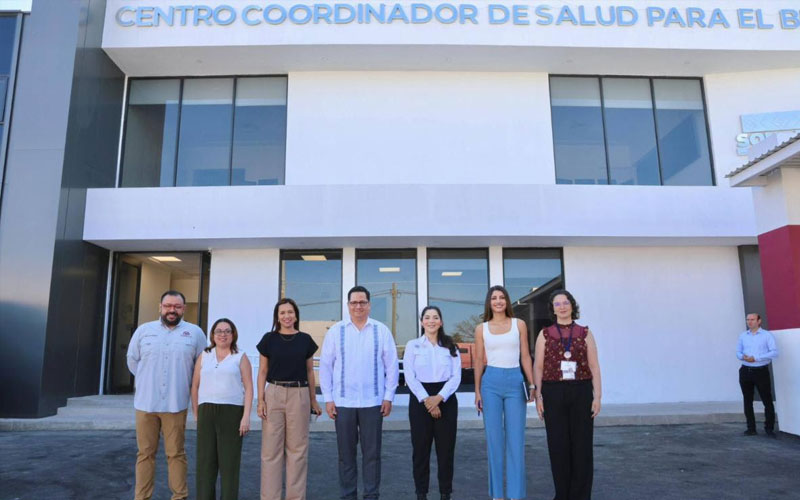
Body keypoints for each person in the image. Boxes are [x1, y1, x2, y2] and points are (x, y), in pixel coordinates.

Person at [319, 286, 400, 500]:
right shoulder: (336, 331)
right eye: (354, 302)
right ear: (348, 305)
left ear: (369, 305)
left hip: (373, 402)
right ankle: (348, 496)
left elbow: (392, 366)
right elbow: (326, 367)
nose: (358, 306)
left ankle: (371, 495)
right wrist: (328, 399)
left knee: (372, 455)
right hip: (343, 402)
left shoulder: (381, 330)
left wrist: (388, 396)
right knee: (346, 456)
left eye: (362, 302)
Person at [126, 290, 207, 500]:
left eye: (177, 306)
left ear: (184, 309)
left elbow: (201, 367)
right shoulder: (144, 331)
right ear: (160, 307)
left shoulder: (195, 333)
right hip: (146, 404)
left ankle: (179, 496)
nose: (172, 310)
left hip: (175, 403)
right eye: (168, 306)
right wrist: (147, 379)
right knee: (145, 454)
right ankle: (142, 497)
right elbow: (133, 361)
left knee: (176, 453)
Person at [533, 289, 602, 500]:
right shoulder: (545, 334)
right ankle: (562, 494)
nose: (562, 307)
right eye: (557, 304)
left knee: (582, 446)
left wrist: (597, 396)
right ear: (553, 309)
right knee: (558, 446)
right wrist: (538, 397)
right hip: (553, 392)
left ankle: (581, 495)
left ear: (572, 306)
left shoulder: (585, 333)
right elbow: (538, 367)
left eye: (565, 303)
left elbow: (594, 366)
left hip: (581, 391)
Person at [256, 298, 323, 500]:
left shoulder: (305, 340)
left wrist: (313, 400)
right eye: (282, 313)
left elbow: (310, 372)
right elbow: (262, 372)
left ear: (296, 315)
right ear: (277, 317)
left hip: (299, 394)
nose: (287, 316)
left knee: (297, 450)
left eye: (290, 312)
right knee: (271, 451)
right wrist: (261, 400)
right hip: (274, 393)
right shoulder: (269, 339)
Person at [473, 285, 535, 500]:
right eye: (494, 298)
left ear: (507, 301)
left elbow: (525, 356)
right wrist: (477, 391)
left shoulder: (519, 324)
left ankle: (516, 495)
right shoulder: (481, 329)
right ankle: (497, 495)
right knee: (494, 440)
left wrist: (532, 384)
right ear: (489, 303)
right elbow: (478, 360)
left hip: (515, 381)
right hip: (490, 382)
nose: (498, 301)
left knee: (516, 440)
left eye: (502, 297)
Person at [191, 318, 253, 500]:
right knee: (205, 463)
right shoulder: (205, 355)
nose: (223, 334)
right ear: (213, 335)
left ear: (233, 335)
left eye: (227, 331)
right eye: (219, 331)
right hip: (206, 411)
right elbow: (195, 386)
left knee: (229, 463)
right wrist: (196, 413)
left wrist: (246, 417)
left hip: (232, 413)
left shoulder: (240, 357)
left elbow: (249, 388)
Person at [403, 306, 462, 500]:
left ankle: (445, 493)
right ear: (422, 322)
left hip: (446, 399)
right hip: (420, 400)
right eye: (427, 317)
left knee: (446, 451)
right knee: (420, 450)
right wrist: (427, 400)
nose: (431, 321)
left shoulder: (450, 346)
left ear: (441, 322)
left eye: (435, 317)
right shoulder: (413, 345)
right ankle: (421, 493)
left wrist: (439, 398)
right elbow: (410, 376)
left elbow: (456, 376)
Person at [736, 312, 778, 437]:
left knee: (767, 400)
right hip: (745, 370)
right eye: (748, 319)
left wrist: (756, 358)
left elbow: (774, 352)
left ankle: (769, 429)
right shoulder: (743, 336)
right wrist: (742, 356)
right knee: (747, 400)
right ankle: (751, 428)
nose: (749, 322)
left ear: (759, 321)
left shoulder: (767, 335)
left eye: (752, 319)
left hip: (760, 371)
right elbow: (738, 351)